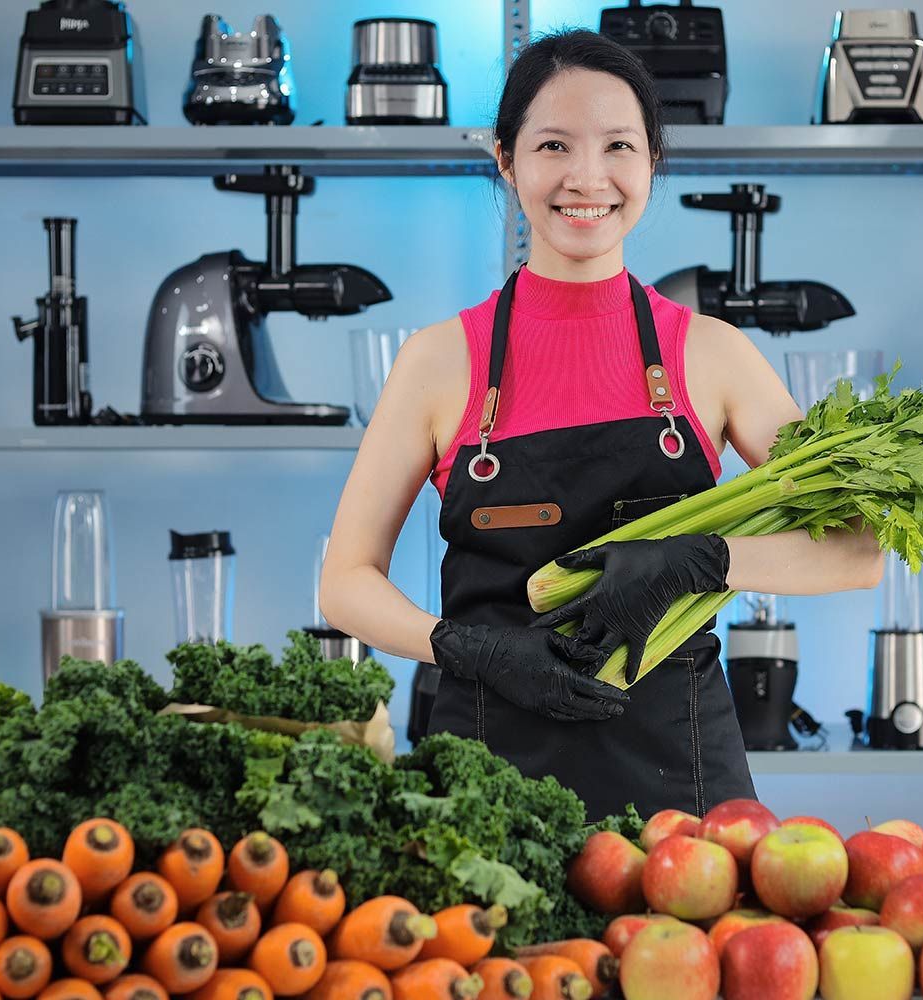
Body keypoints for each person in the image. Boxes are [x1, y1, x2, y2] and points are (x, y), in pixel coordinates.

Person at [319, 30, 883, 820]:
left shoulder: (714, 356)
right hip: (489, 784)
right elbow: (344, 582)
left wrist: (705, 560)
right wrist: (466, 647)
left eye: (618, 145)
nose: (588, 178)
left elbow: (857, 549)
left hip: (679, 792)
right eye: (553, 145)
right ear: (506, 161)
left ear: (652, 160)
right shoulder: (440, 361)